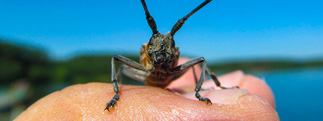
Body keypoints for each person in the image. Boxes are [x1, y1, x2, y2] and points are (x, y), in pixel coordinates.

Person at [15, 58, 279, 120]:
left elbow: (199, 64)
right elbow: (117, 62)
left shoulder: (177, 59)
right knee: (117, 60)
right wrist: (116, 92)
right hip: (147, 76)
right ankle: (117, 91)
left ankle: (210, 87)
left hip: (171, 78)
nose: (163, 49)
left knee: (199, 61)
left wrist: (204, 91)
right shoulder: (145, 57)